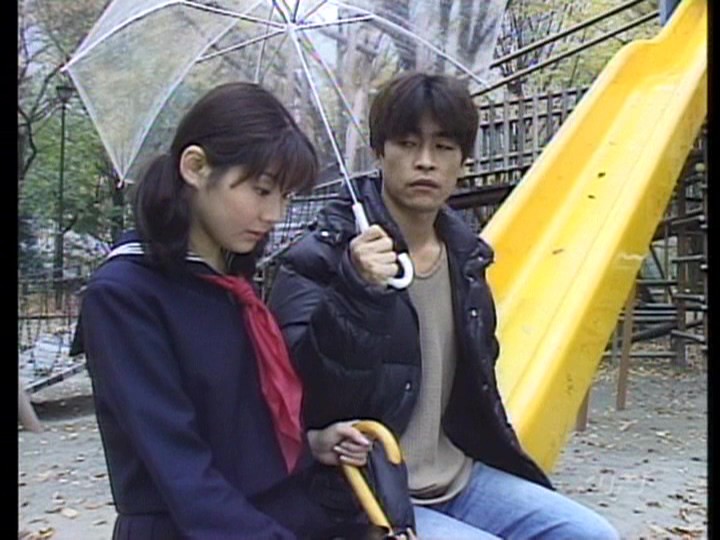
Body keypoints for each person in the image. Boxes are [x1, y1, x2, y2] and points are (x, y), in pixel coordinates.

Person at [268, 72, 620, 539]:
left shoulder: (466, 258)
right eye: (407, 144)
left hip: (459, 475)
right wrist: (357, 291)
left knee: (591, 534)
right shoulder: (322, 256)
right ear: (379, 153)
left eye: (444, 147)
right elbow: (304, 397)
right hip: (363, 491)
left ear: (463, 161)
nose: (426, 162)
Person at [70, 82, 377, 539]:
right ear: (195, 167)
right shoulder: (125, 296)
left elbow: (233, 427)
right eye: (261, 190)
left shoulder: (229, 282)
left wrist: (312, 444)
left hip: (275, 513)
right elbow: (183, 476)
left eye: (285, 196)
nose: (274, 214)